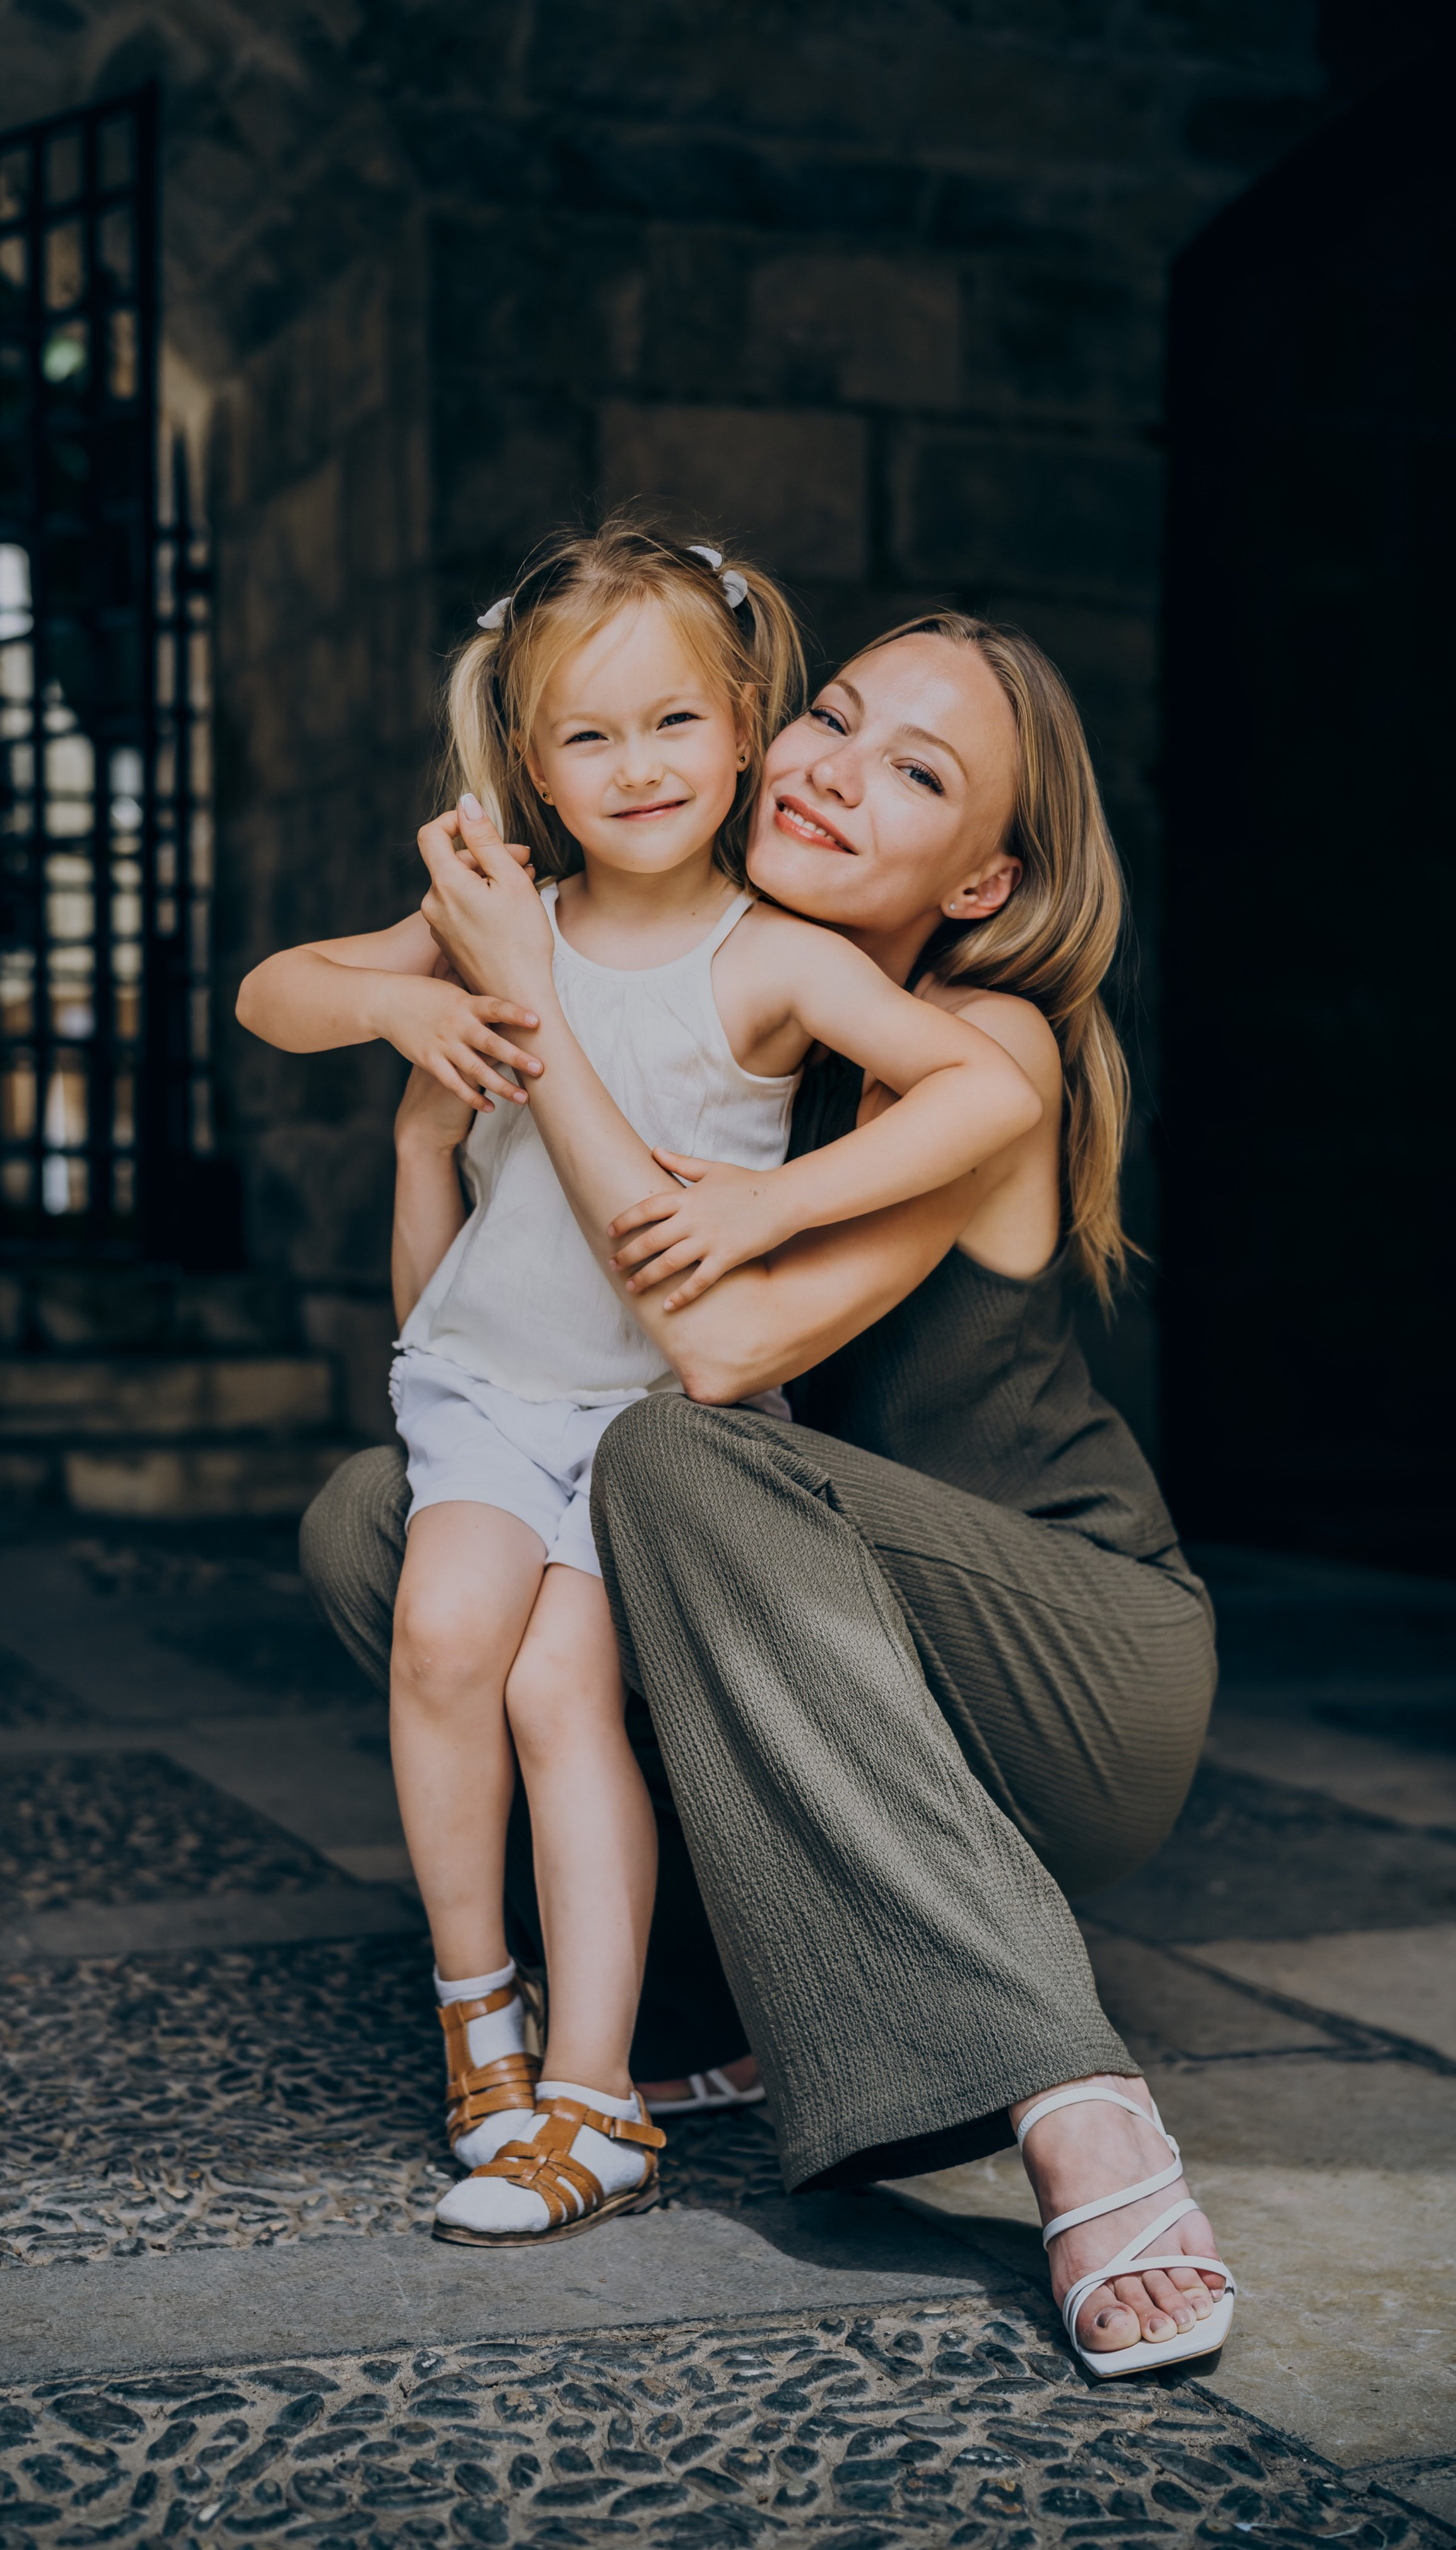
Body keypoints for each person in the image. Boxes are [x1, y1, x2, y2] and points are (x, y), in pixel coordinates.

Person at [301, 605, 1237, 2375]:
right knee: (396, 1517)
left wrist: (535, 1012)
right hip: (811, 1599)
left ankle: (1073, 2097)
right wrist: (454, 1029)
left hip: (1071, 1661)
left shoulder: (990, 1053)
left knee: (672, 1446)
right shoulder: (716, 991)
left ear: (977, 882)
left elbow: (716, 1355)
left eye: (919, 772)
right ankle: (713, 1986)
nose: (833, 768)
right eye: (835, 715)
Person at [238, 527, 1041, 2249]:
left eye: (673, 724)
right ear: (530, 765)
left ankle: (597, 2106)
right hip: (485, 1388)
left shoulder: (772, 960)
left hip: (649, 1432)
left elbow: (982, 1095)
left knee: (558, 1701)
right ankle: (484, 2026)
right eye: (587, 739)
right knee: (449, 1638)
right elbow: (268, 994)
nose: (637, 769)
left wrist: (775, 1197)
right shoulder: (500, 910)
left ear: (744, 727)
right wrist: (397, 1005)